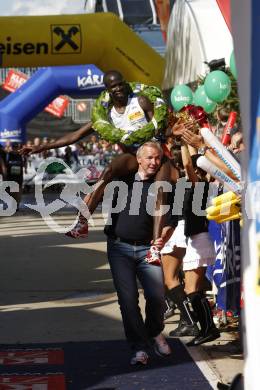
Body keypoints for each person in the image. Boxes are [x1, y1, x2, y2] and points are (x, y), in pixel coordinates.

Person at [20, 70, 179, 264]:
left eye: (121, 84)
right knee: (109, 171)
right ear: (108, 91)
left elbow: (160, 127)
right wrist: (42, 147)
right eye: (114, 86)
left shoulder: (141, 101)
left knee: (161, 189)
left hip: (155, 153)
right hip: (133, 155)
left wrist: (173, 132)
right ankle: (81, 224)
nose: (119, 88)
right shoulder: (106, 115)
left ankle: (155, 247)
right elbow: (74, 136)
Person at [104, 141, 177, 365]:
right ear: (138, 159)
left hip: (148, 249)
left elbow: (171, 220)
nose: (154, 162)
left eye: (157, 158)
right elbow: (107, 175)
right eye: (149, 158)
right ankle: (138, 347)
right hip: (119, 248)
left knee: (156, 297)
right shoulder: (121, 180)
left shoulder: (163, 185)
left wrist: (161, 240)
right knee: (128, 301)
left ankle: (154, 331)